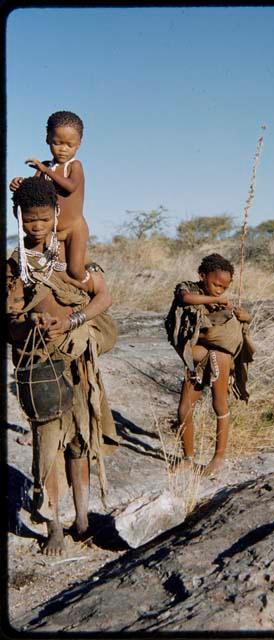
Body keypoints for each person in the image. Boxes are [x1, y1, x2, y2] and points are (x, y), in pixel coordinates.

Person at [7, 177, 118, 556]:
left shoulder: (72, 257)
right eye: (28, 220)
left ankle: (83, 519)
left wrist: (71, 322)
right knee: (48, 446)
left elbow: (102, 295)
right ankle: (54, 523)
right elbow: (8, 320)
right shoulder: (14, 267)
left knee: (79, 442)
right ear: (16, 216)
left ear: (56, 214)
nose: (35, 227)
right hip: (39, 365)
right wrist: (28, 324)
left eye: (42, 219)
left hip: (76, 361)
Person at [165, 253, 255, 476]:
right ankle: (188, 458)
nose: (218, 290)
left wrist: (245, 316)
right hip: (195, 359)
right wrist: (214, 300)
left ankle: (218, 457)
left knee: (219, 404)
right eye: (215, 284)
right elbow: (185, 300)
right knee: (185, 407)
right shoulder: (188, 288)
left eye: (223, 288)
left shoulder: (220, 303)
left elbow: (242, 318)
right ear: (202, 276)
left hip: (219, 357)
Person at [9, 110, 92, 288]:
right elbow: (33, 190)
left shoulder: (75, 166)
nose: (63, 149)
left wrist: (46, 171)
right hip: (51, 230)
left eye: (70, 145)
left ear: (79, 144)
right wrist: (19, 184)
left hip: (74, 228)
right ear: (47, 139)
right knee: (34, 261)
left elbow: (70, 187)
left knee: (75, 270)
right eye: (57, 143)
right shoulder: (44, 167)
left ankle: (94, 290)